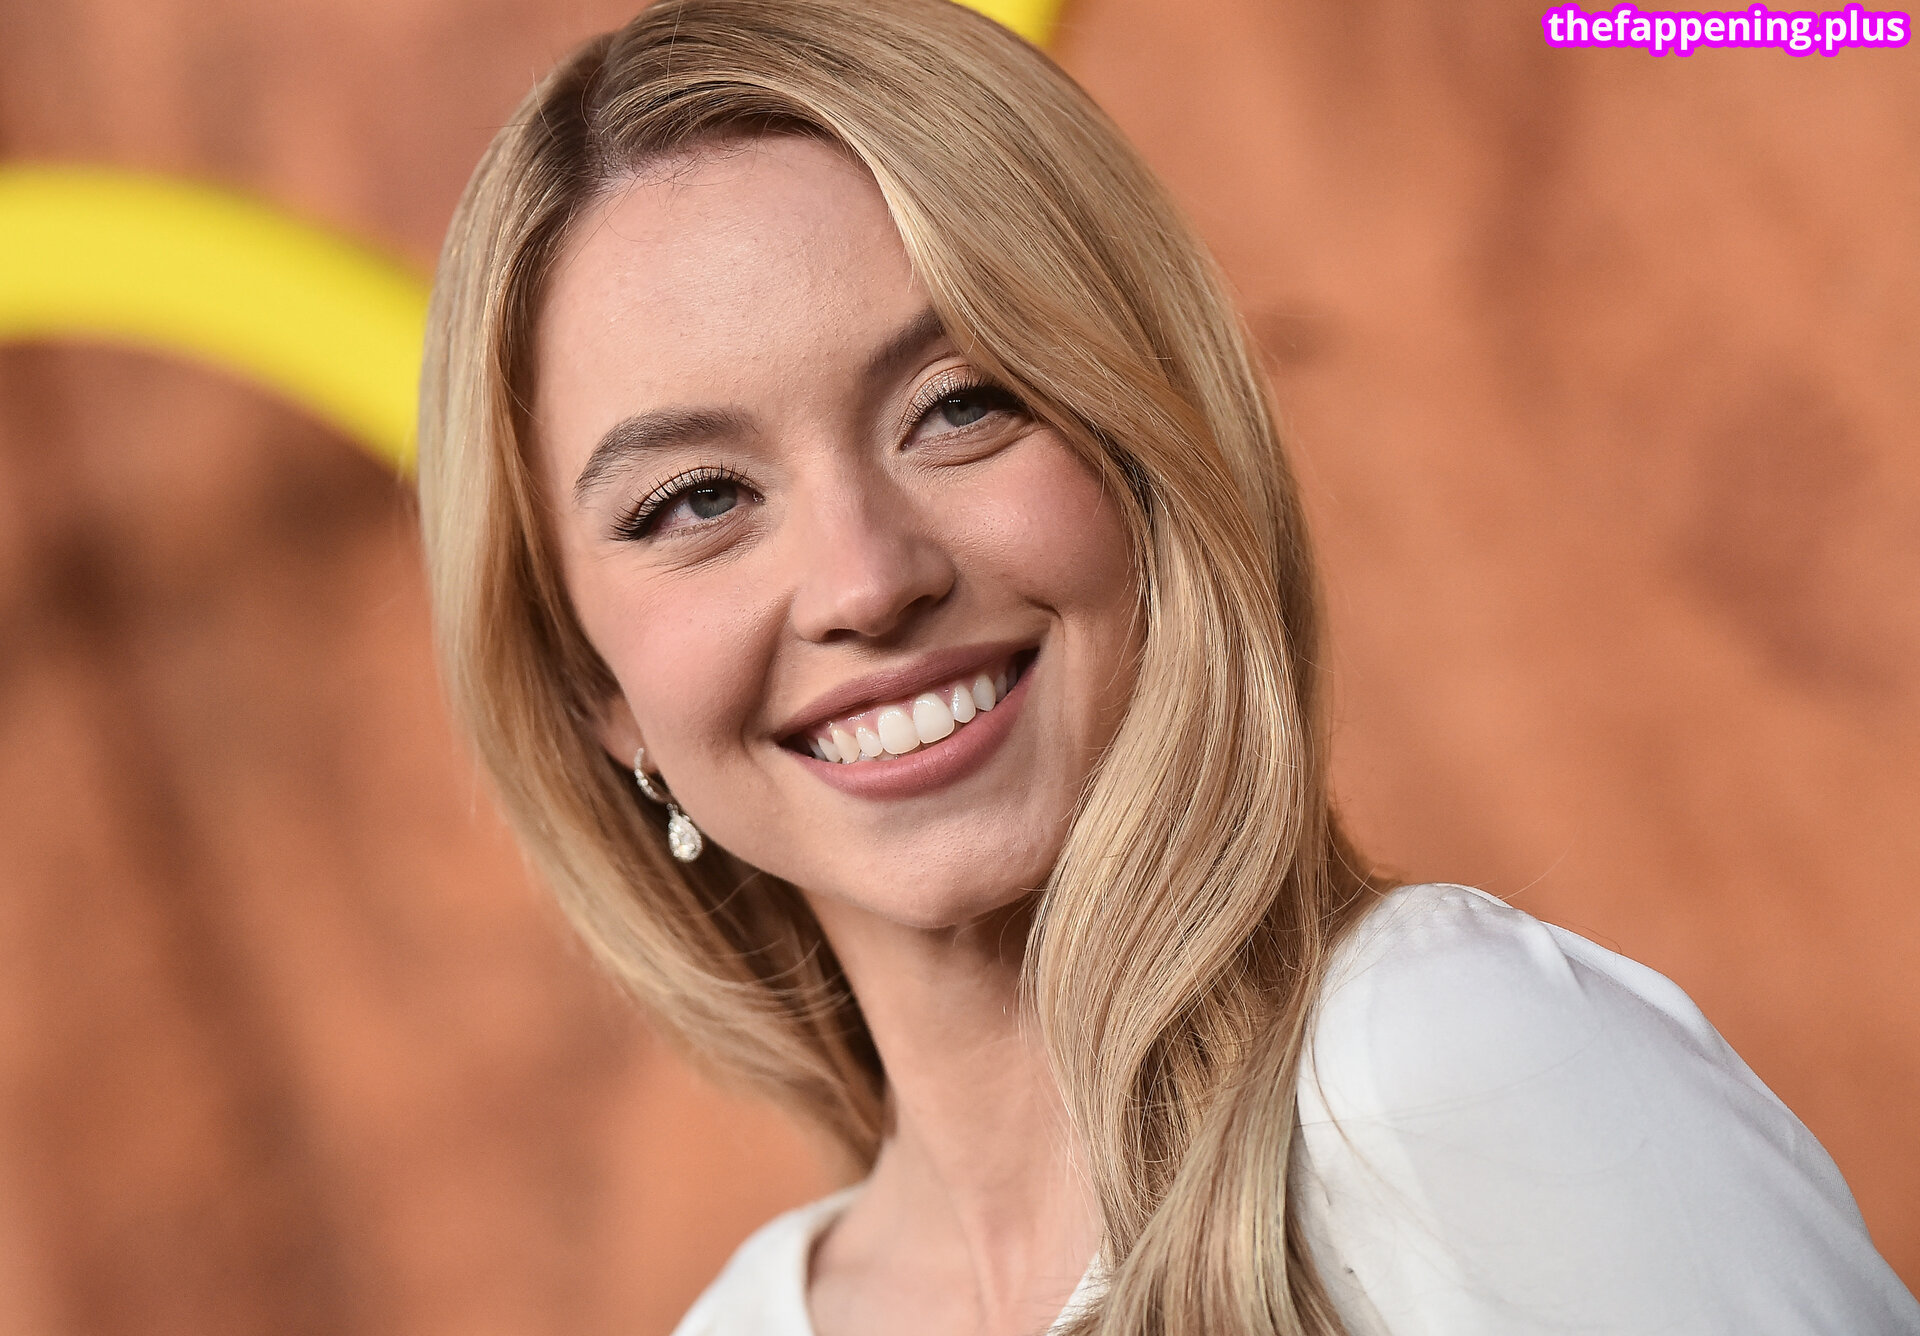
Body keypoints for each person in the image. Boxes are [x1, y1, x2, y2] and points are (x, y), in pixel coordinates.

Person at [413, 0, 1920, 1332]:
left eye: (959, 404)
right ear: (595, 692)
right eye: (696, 503)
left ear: (1148, 445)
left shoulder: (1438, 1074)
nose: (868, 580)